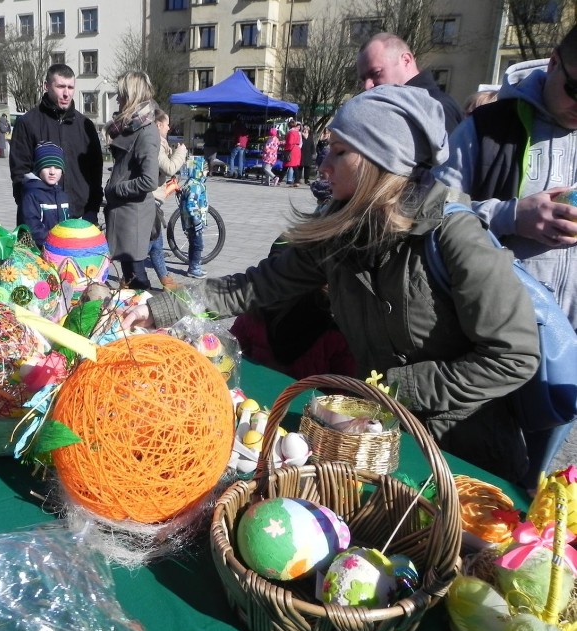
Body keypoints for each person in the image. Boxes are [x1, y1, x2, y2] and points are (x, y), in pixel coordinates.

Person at [122, 84, 541, 485]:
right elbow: (252, 287)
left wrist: (400, 387)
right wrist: (160, 308)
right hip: (380, 443)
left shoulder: (454, 237)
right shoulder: (339, 234)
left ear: (384, 162)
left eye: (340, 152)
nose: (322, 165)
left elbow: (515, 355)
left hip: (468, 458)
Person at [432, 25, 577, 480]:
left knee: (530, 480)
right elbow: (429, 211)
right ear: (553, 63)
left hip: (566, 349)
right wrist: (511, 216)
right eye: (576, 88)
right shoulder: (488, 127)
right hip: (491, 345)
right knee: (481, 473)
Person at [10, 64, 103, 224]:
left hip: (77, 218)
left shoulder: (85, 125)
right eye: (60, 86)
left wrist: (92, 210)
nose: (66, 93)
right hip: (40, 218)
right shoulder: (28, 122)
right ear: (46, 86)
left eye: (70, 87)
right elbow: (20, 172)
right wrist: (30, 210)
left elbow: (95, 173)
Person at [103, 71, 160, 290]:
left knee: (136, 277)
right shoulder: (133, 126)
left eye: (121, 94)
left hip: (133, 216)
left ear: (131, 95)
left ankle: (149, 319)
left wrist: (117, 188)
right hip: (124, 213)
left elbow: (149, 181)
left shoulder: (145, 131)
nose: (117, 99)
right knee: (130, 275)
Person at [357, 32, 463, 134]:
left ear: (406, 60)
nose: (367, 86)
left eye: (376, 73)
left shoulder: (437, 108)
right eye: (363, 79)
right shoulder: (391, 106)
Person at [151, 108, 187, 290]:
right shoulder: (156, 142)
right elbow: (169, 167)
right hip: (149, 202)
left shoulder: (159, 143)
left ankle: (165, 280)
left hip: (152, 202)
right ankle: (164, 281)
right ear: (158, 124)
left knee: (155, 243)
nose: (169, 127)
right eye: (166, 124)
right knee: (154, 243)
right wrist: (181, 152)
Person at [19, 141, 72, 247]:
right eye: (47, 166)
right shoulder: (31, 194)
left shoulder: (62, 195)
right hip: (38, 251)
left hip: (61, 250)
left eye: (57, 167)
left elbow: (68, 222)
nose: (52, 172)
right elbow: (32, 227)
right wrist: (53, 241)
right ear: (38, 168)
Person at [283, 119, 301, 186]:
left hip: (291, 149)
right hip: (297, 149)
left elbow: (290, 142)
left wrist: (286, 149)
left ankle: (279, 179)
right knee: (295, 166)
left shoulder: (290, 132)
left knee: (286, 165)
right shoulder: (297, 132)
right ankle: (297, 181)